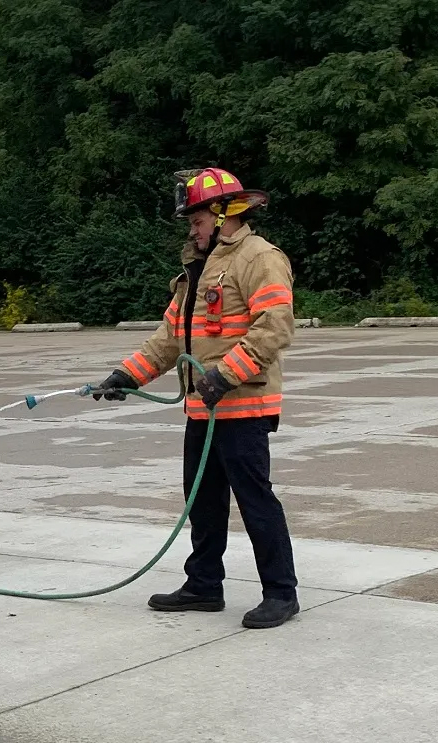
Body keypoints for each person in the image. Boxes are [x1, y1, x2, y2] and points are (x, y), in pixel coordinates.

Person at [91, 168, 299, 629]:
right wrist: (127, 375)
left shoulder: (258, 258)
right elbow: (170, 339)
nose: (191, 227)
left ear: (226, 213)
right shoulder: (195, 271)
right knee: (201, 500)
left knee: (254, 499)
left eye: (197, 218)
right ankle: (204, 585)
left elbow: (274, 328)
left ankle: (282, 593)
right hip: (203, 408)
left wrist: (226, 376)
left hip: (242, 407)